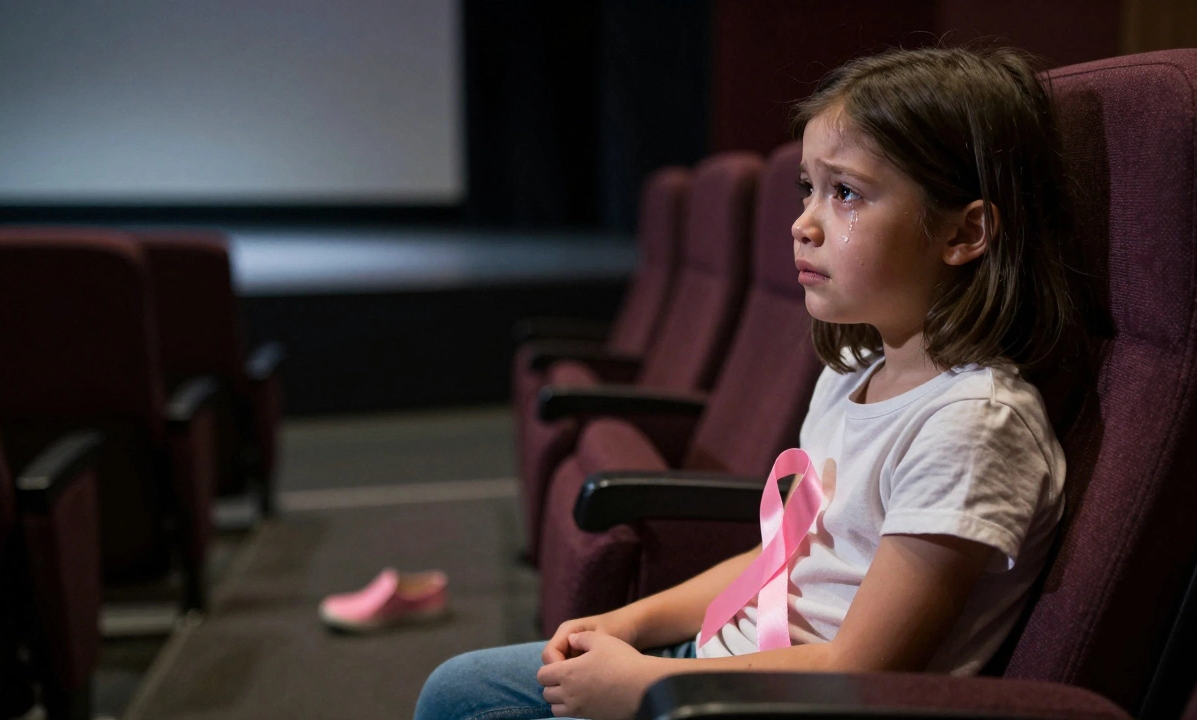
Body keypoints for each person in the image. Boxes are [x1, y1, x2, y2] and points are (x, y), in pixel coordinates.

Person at [415, 45, 1077, 720]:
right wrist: (630, 624)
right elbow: (775, 562)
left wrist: (646, 685)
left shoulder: (972, 425)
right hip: (719, 667)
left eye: (845, 193)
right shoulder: (852, 375)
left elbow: (863, 667)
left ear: (965, 232)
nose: (803, 223)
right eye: (808, 189)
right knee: (458, 691)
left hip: (779, 700)